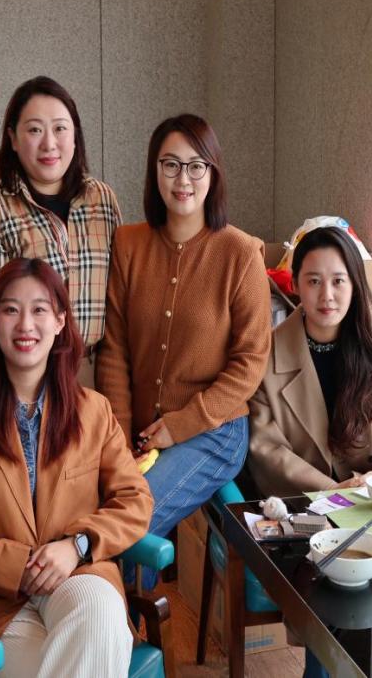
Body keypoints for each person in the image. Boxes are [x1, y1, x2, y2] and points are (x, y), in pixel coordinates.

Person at [0, 258, 153, 678]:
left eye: (39, 309)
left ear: (60, 322)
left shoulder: (93, 410)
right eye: (10, 309)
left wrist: (77, 546)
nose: (25, 324)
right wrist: (15, 568)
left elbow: (134, 500)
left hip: (75, 572)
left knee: (100, 620)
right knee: (79, 661)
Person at [96, 114, 271, 561]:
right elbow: (114, 352)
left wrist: (180, 425)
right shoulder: (128, 244)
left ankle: (95, 604)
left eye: (196, 166)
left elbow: (250, 361)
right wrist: (118, 438)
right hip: (137, 430)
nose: (183, 179)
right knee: (92, 503)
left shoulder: (240, 253)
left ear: (213, 173)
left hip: (214, 430)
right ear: (154, 171)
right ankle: (120, 603)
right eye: (170, 164)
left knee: (127, 520)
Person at [0, 76, 121, 385]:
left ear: (75, 136)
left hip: (96, 372)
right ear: (13, 138)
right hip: (24, 377)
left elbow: (119, 301)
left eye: (60, 128)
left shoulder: (101, 200)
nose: (49, 143)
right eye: (35, 130)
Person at [247, 224, 372, 496]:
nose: (327, 296)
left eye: (338, 281)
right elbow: (266, 450)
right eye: (314, 281)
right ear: (294, 284)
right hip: (305, 503)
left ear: (355, 284)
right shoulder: (267, 355)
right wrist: (333, 491)